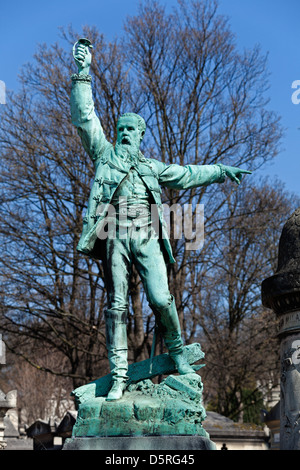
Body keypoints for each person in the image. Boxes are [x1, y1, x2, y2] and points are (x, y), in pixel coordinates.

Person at [70, 40, 252, 401]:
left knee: (161, 297)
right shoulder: (105, 155)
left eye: (129, 130)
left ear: (140, 136)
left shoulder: (152, 167)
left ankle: (178, 351)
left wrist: (219, 171)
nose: (123, 134)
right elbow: (85, 117)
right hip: (115, 234)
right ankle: (120, 375)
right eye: (120, 129)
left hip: (147, 235)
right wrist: (83, 74)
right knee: (116, 305)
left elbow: (186, 174)